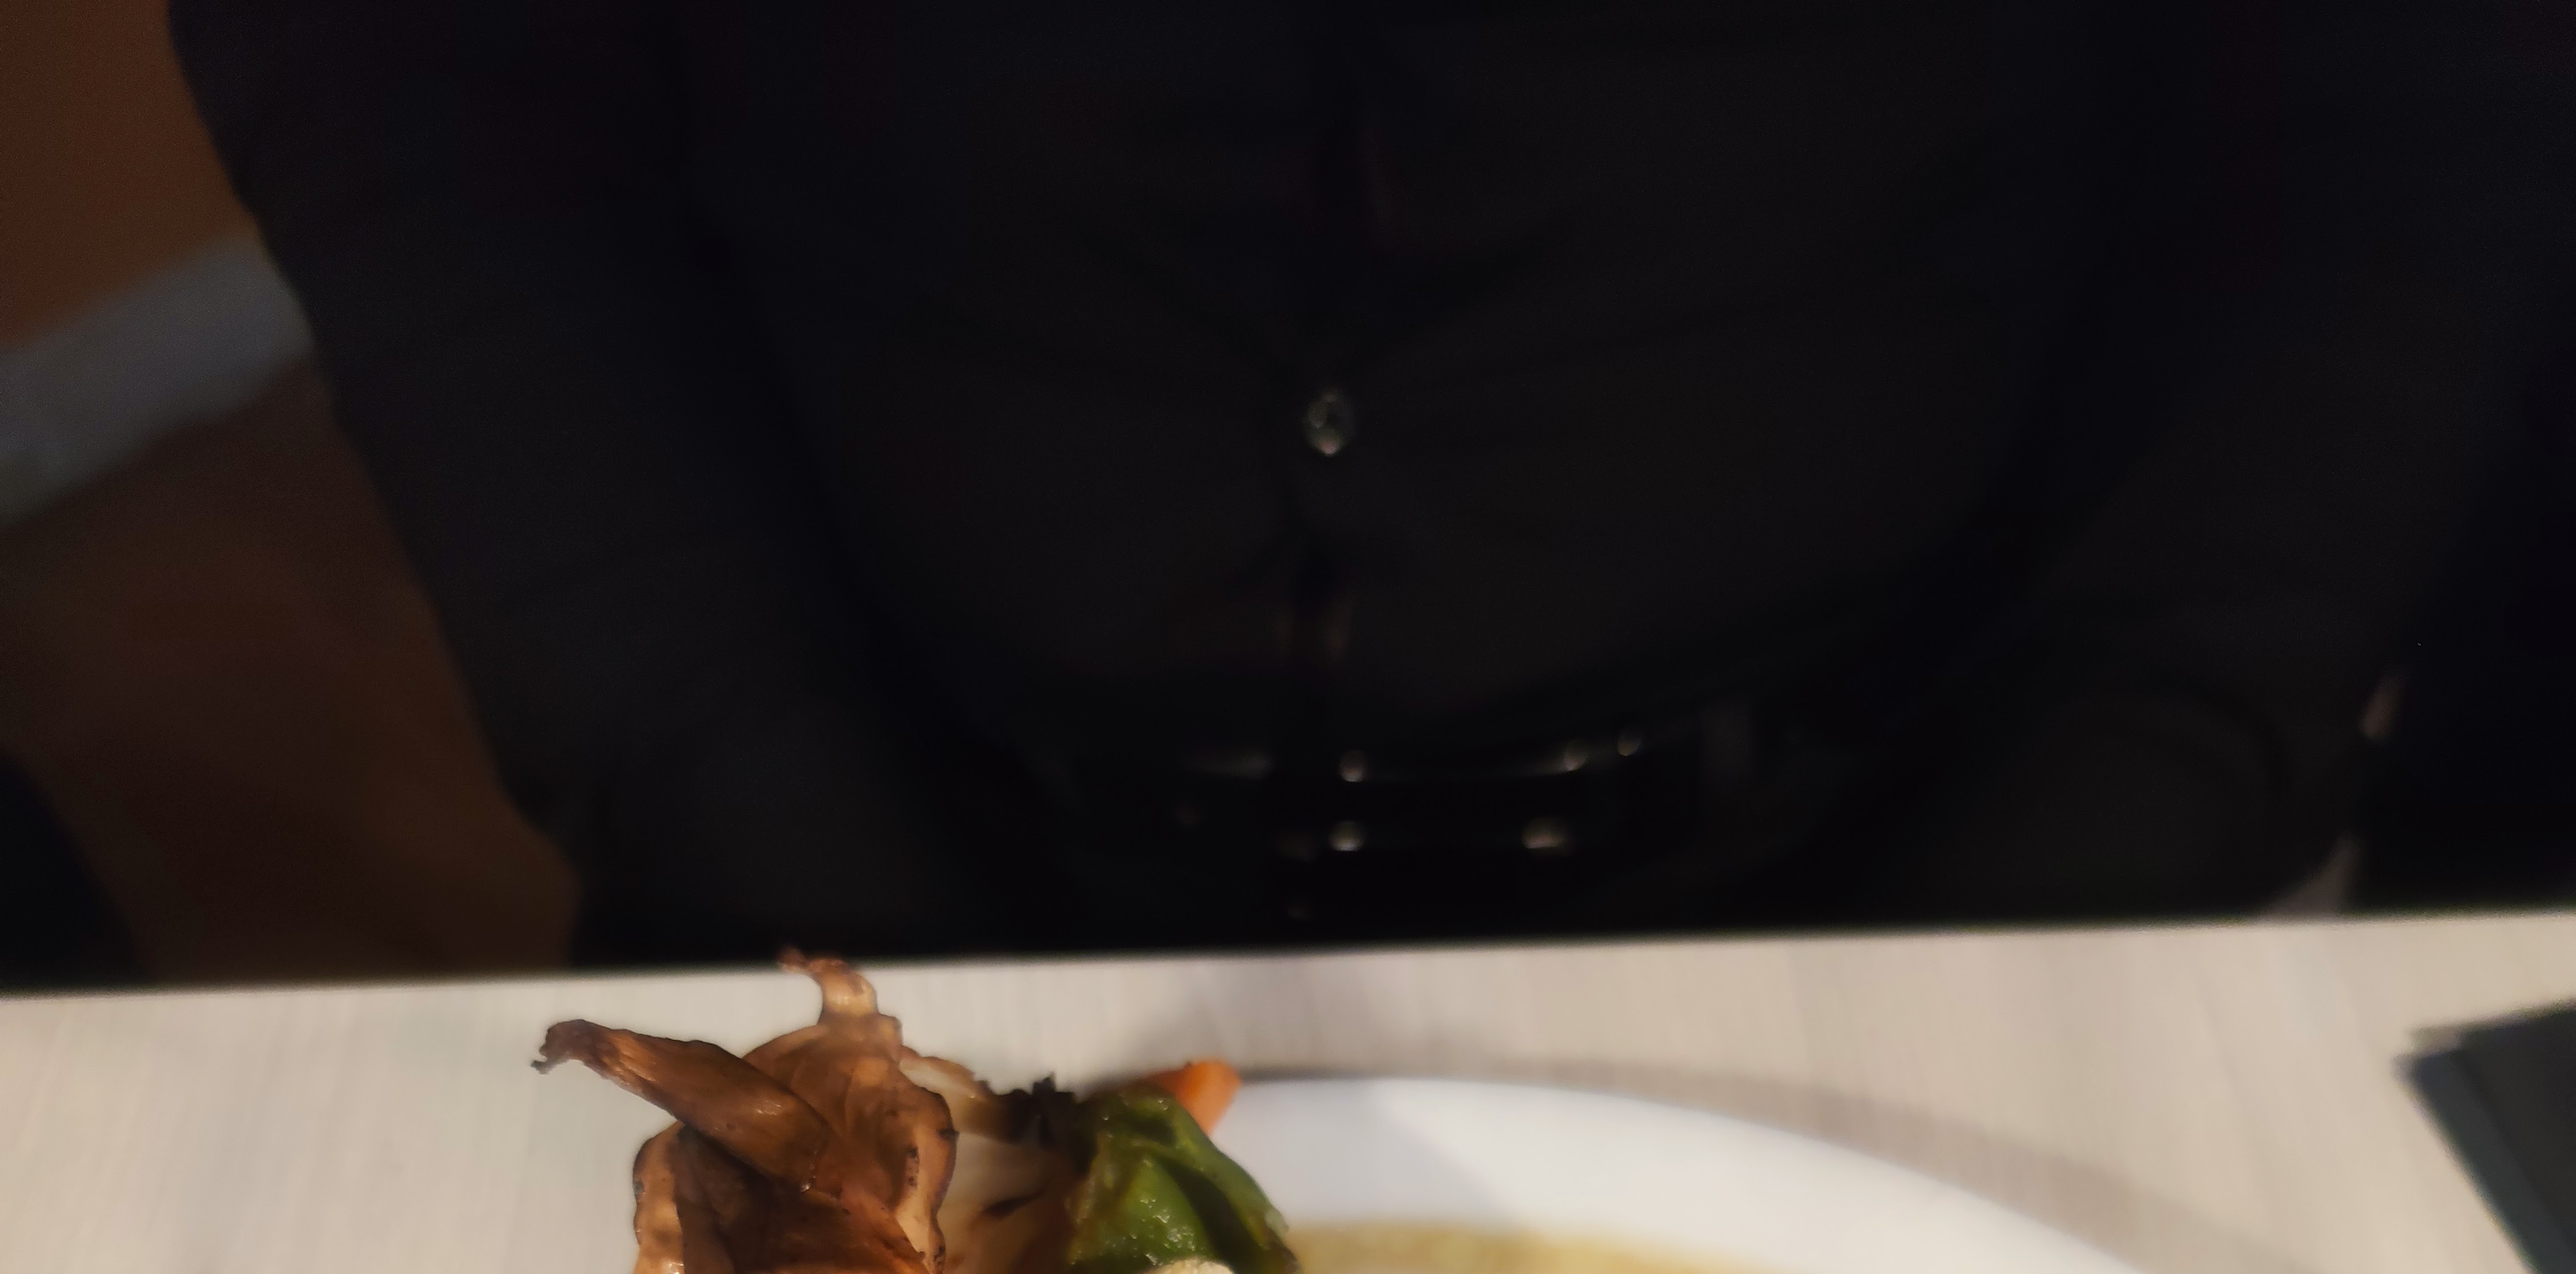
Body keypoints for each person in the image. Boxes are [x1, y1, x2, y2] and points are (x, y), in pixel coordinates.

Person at [175, 0, 2576, 965]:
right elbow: (429, 98)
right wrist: (759, 829)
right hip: (846, 849)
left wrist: (2101, 839)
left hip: (1930, 837)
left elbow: (2398, 121)